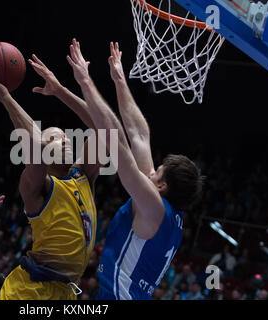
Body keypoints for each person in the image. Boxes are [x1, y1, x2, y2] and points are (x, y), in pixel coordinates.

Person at [65, 39, 204, 300]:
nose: (151, 171)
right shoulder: (163, 211)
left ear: (161, 187)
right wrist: (119, 79)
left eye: (157, 172)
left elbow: (115, 141)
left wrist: (85, 80)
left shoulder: (153, 206)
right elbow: (139, 134)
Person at [0, 53, 103, 299]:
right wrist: (4, 97)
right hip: (29, 290)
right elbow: (34, 144)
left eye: (66, 137)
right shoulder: (38, 186)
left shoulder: (84, 175)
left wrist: (61, 91)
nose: (64, 141)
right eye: (54, 138)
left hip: (65, 293)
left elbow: (103, 127)